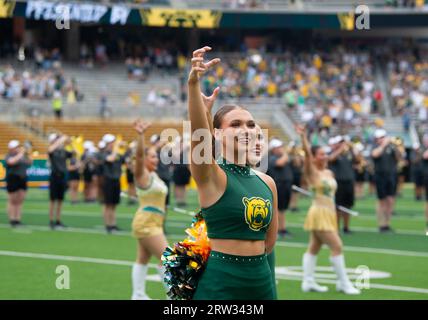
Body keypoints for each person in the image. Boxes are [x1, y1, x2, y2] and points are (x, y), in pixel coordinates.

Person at [187, 46, 278, 300]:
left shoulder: (267, 182)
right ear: (218, 134)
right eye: (235, 124)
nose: (246, 129)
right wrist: (193, 86)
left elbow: (269, 245)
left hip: (261, 282)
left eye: (251, 124)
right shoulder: (213, 176)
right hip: (220, 283)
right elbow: (199, 137)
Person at [295, 124, 360, 295]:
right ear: (315, 157)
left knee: (314, 247)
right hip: (319, 213)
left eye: (325, 153)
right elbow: (308, 155)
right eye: (322, 154)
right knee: (337, 246)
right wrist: (303, 137)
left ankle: (308, 282)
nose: (325, 156)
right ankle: (344, 283)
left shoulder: (329, 173)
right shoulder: (312, 172)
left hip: (329, 212)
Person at [130, 119, 169, 300]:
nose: (156, 159)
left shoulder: (154, 175)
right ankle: (174, 297)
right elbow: (138, 156)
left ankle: (138, 295)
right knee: (168, 260)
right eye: (152, 156)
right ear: (144, 159)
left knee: (143, 259)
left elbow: (147, 152)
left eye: (156, 156)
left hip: (154, 223)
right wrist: (140, 135)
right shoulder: (142, 175)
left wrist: (157, 143)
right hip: (147, 223)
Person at [371, 129, 400, 233]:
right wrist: (384, 145)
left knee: (390, 200)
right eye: (380, 138)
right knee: (381, 201)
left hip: (391, 175)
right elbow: (375, 154)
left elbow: (398, 158)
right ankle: (381, 224)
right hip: (380, 176)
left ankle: (387, 224)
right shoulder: (376, 147)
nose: (382, 139)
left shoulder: (391, 147)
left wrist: (396, 148)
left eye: (383, 137)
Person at [328, 136, 356, 234]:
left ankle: (346, 227)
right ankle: (336, 228)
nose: (342, 144)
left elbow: (358, 160)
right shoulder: (331, 153)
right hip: (338, 182)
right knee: (338, 207)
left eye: (343, 142)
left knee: (348, 206)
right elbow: (331, 159)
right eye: (340, 142)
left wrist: (352, 149)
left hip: (349, 181)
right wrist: (340, 148)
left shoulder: (347, 153)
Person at [267, 138, 292, 237]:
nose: (281, 149)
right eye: (279, 147)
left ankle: (282, 228)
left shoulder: (280, 157)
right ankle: (278, 229)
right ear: (273, 149)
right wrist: (285, 153)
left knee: (282, 209)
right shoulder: (272, 158)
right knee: (278, 208)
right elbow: (280, 163)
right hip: (279, 185)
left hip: (285, 185)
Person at [101, 134, 125, 234]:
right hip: (108, 181)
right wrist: (117, 148)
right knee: (108, 204)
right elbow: (110, 159)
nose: (113, 144)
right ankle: (108, 225)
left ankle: (113, 224)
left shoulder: (116, 153)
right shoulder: (103, 153)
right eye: (112, 142)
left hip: (116, 180)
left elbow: (125, 161)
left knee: (114, 204)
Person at [5, 140, 32, 227]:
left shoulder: (23, 156)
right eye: (15, 147)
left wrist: (28, 154)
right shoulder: (9, 155)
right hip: (13, 178)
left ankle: (18, 219)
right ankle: (12, 219)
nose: (17, 148)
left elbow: (30, 163)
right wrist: (21, 153)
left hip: (22, 178)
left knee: (20, 200)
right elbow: (11, 162)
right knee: (12, 200)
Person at [48, 133, 72, 230]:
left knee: (60, 200)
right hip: (54, 176)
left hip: (62, 176)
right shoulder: (52, 150)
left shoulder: (63, 151)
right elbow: (50, 150)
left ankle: (58, 220)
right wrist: (60, 140)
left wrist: (70, 142)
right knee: (53, 200)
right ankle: (51, 220)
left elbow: (74, 153)